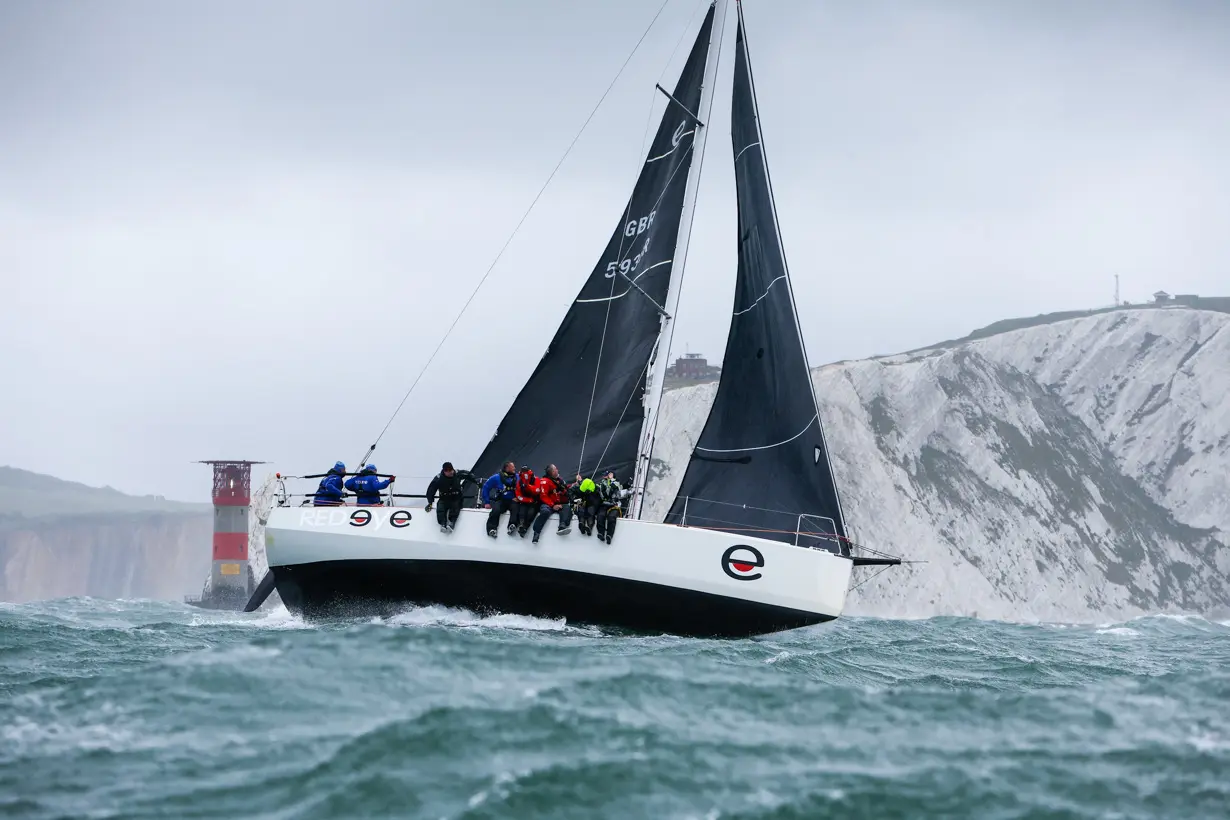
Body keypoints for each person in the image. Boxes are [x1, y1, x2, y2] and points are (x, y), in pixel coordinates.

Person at [425, 462, 479, 532]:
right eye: (446, 471)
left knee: (456, 506)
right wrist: (430, 502)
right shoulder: (438, 478)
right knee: (440, 508)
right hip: (444, 498)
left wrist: (476, 481)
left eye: (450, 470)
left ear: (453, 469)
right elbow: (430, 490)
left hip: (456, 497)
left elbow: (468, 475)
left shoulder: (457, 473)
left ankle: (452, 522)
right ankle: (443, 523)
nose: (449, 472)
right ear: (444, 471)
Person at [530, 464, 573, 543]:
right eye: (556, 469)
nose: (557, 470)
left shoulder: (559, 480)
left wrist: (573, 485)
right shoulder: (545, 481)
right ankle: (536, 533)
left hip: (558, 503)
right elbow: (543, 496)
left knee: (566, 508)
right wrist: (553, 505)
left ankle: (562, 526)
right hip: (548, 504)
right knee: (545, 511)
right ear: (552, 472)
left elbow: (565, 488)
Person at [481, 461, 518, 538]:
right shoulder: (496, 477)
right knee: (496, 510)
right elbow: (486, 487)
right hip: (501, 500)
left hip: (513, 500)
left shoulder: (517, 477)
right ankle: (491, 529)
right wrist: (487, 502)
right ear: (507, 468)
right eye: (513, 466)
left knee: (516, 509)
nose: (514, 468)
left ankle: (512, 525)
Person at [595, 471, 623, 544]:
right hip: (604, 504)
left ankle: (609, 535)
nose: (606, 476)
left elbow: (614, 490)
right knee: (600, 515)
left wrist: (611, 480)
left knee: (611, 517)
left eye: (609, 474)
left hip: (614, 505)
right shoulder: (602, 483)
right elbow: (600, 491)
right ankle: (601, 533)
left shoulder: (617, 483)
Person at [513, 465, 538, 538]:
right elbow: (519, 495)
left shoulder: (536, 479)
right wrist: (528, 500)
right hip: (526, 501)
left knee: (531, 513)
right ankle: (521, 525)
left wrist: (528, 486)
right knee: (522, 512)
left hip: (535, 501)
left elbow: (537, 490)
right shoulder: (519, 482)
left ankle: (525, 527)